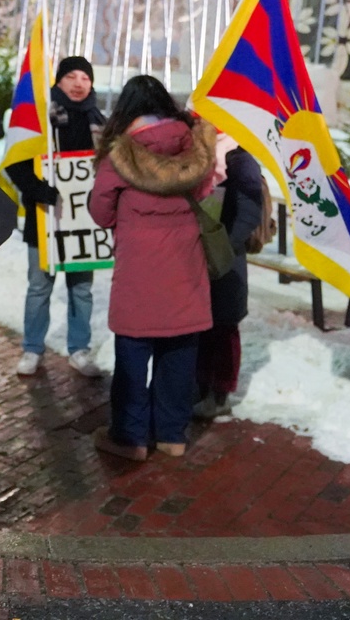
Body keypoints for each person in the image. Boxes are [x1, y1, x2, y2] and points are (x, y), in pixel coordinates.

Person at [88, 75, 216, 461]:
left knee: (133, 351)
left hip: (138, 272)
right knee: (179, 350)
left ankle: (131, 438)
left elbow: (100, 212)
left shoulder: (121, 156)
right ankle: (172, 436)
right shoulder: (195, 147)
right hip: (185, 267)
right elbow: (205, 193)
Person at [4, 55, 106, 378]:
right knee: (40, 287)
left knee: (81, 289)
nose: (78, 84)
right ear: (58, 81)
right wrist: (37, 189)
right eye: (71, 76)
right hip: (45, 217)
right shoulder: (41, 119)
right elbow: (15, 162)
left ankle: (79, 348)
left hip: (84, 223)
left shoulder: (99, 122)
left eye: (85, 78)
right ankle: (32, 348)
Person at [193, 136, 264, 420]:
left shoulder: (240, 160)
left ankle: (220, 393)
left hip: (226, 258)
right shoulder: (198, 152)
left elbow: (249, 212)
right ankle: (199, 387)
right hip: (197, 254)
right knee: (200, 324)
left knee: (223, 326)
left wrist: (222, 245)